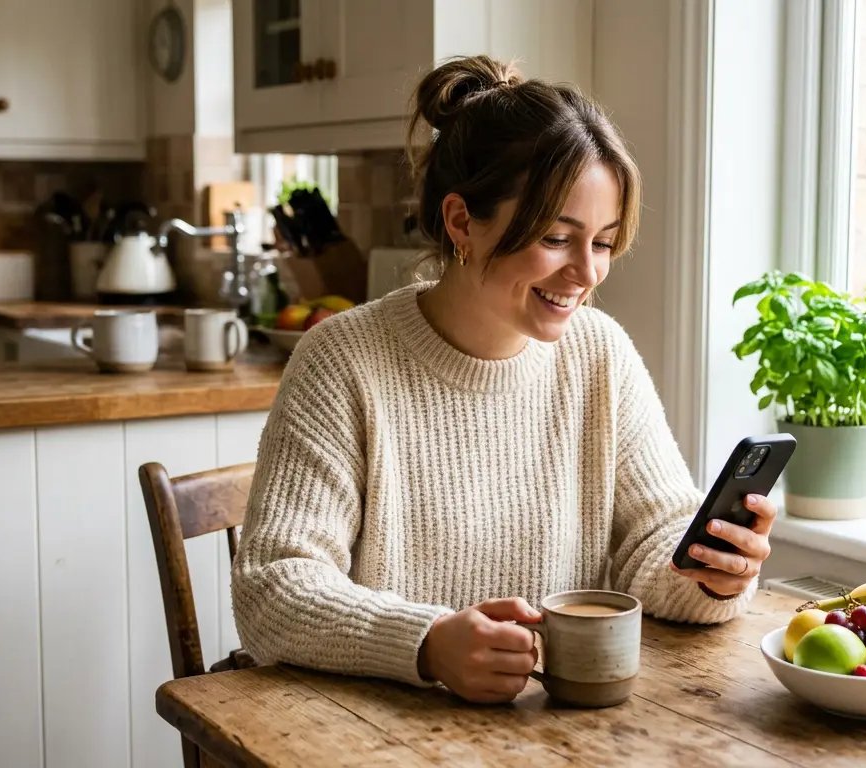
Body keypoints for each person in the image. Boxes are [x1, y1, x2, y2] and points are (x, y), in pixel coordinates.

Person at [232, 55, 777, 704]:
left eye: (602, 243)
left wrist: (712, 574)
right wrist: (428, 642)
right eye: (555, 237)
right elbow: (273, 586)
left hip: (558, 735)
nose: (586, 273)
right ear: (462, 222)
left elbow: (655, 540)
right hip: (380, 735)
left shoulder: (600, 355)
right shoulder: (342, 360)